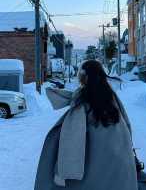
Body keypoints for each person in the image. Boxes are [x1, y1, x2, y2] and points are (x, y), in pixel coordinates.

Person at [34, 60, 138, 190]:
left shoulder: (82, 103)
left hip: (93, 171)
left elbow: (71, 141)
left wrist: (60, 171)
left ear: (85, 77)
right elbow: (127, 128)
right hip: (123, 171)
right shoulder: (112, 98)